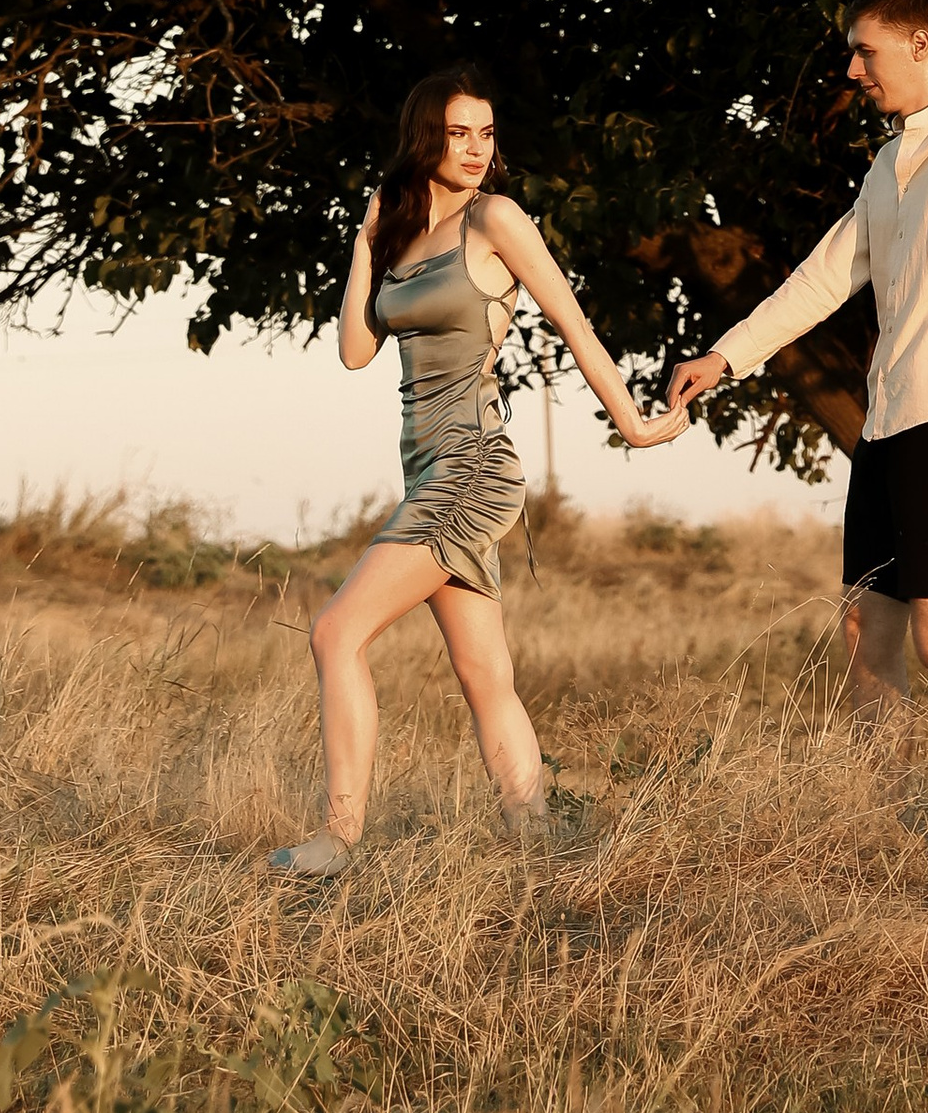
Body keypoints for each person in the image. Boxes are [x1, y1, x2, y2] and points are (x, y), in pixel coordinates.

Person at [269, 62, 689, 875]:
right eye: (458, 132)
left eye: (485, 133)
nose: (474, 148)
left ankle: (338, 840)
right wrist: (364, 235)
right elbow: (357, 351)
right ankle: (538, 842)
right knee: (483, 670)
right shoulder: (399, 232)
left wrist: (632, 423)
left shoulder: (495, 220)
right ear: (425, 136)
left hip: (473, 465)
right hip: (426, 469)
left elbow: (572, 319)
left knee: (335, 632)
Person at [667, 0, 928, 728]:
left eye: (864, 52)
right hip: (885, 425)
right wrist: (725, 356)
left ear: (920, 43)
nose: (853, 71)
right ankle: (895, 828)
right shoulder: (884, 167)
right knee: (866, 634)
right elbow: (821, 279)